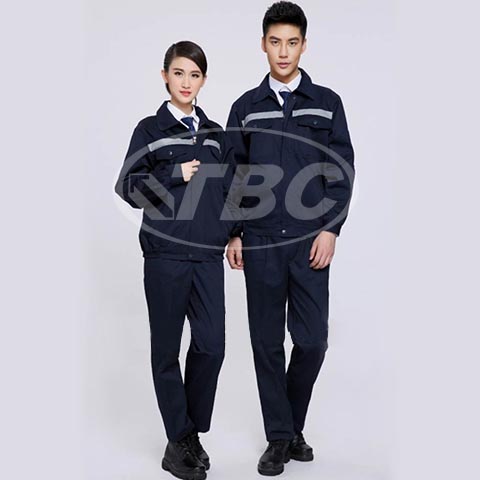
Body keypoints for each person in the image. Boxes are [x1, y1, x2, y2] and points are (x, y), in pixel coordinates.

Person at [226, 2, 355, 476]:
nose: (283, 51)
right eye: (275, 42)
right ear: (263, 44)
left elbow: (341, 169)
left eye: (292, 42)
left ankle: (289, 425)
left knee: (312, 341)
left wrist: (330, 228)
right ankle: (281, 438)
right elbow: (234, 174)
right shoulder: (246, 107)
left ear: (304, 45)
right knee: (265, 344)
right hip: (260, 240)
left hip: (308, 242)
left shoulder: (327, 102)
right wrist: (234, 232)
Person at [115, 40, 239, 480]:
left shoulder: (217, 135)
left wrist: (235, 234)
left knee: (211, 345)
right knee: (166, 352)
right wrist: (173, 173)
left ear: (203, 81)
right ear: (165, 75)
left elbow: (233, 192)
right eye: (179, 72)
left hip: (207, 257)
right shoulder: (149, 129)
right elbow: (127, 187)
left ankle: (188, 432)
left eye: (195, 74)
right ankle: (180, 441)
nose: (186, 82)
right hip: (165, 256)